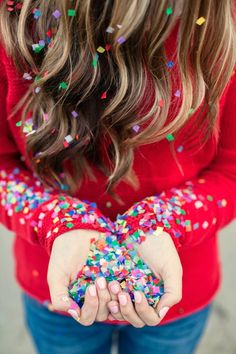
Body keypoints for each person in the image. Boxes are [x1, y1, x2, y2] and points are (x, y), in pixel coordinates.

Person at [0, 0, 235, 353]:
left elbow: (230, 171)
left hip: (177, 292)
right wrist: (59, 220)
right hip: (54, 286)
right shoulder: (13, 25)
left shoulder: (221, 27)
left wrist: (166, 219)